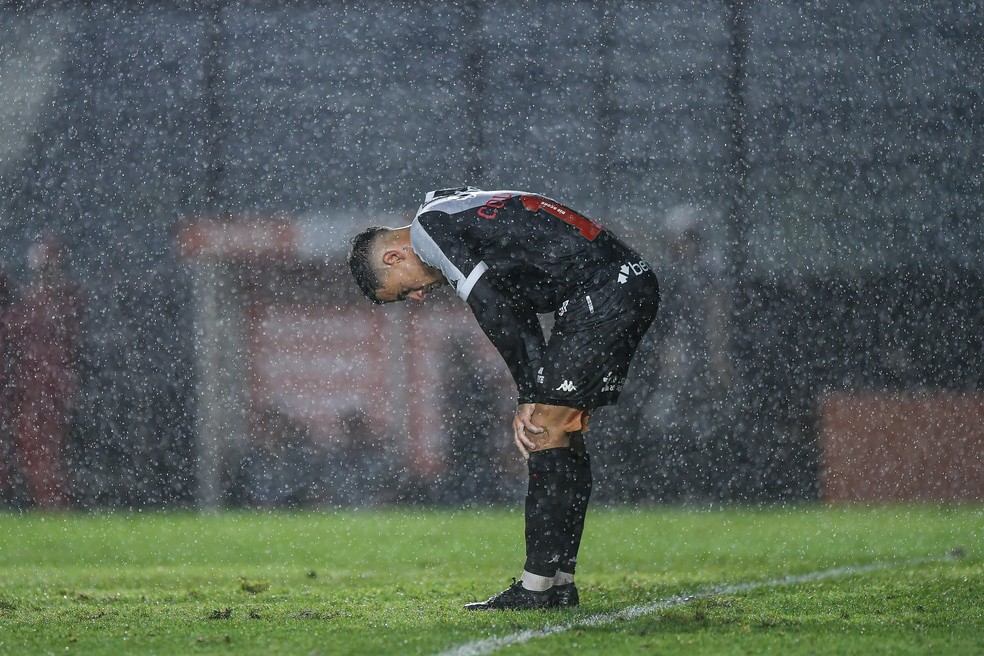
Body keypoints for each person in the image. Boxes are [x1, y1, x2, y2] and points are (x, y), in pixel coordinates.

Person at [347, 187, 659, 610]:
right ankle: (559, 583)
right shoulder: (448, 211)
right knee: (562, 432)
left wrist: (529, 393)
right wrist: (533, 385)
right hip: (618, 282)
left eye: (403, 292)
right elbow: (514, 305)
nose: (417, 298)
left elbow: (493, 307)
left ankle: (535, 591)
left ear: (394, 258)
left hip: (600, 290)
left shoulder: (427, 232)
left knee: (542, 430)